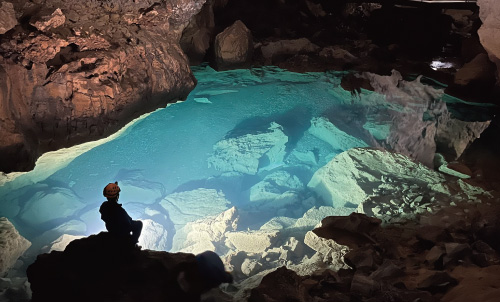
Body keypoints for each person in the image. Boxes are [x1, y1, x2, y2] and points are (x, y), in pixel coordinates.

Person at [99, 182, 143, 247]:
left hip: (112, 230)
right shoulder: (118, 210)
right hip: (121, 234)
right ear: (117, 195)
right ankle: (132, 245)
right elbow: (127, 224)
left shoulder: (104, 206)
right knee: (139, 224)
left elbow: (103, 217)